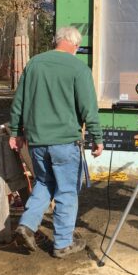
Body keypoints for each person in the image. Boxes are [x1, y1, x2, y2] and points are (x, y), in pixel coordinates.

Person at [9, 26, 104, 259]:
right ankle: (62, 244)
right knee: (66, 191)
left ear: (57, 41)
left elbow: (19, 101)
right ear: (75, 45)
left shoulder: (34, 64)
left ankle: (27, 224)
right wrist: (97, 138)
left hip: (37, 141)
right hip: (65, 142)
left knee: (43, 182)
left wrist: (15, 132)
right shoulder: (79, 68)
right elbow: (88, 108)